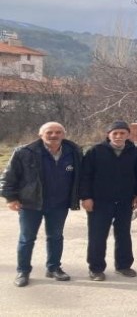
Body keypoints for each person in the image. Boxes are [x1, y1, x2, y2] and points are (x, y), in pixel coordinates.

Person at [1, 122, 81, 287]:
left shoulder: (74, 152)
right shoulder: (24, 152)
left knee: (56, 237)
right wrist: (10, 198)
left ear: (63, 134)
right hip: (30, 204)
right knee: (27, 239)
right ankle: (23, 271)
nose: (54, 135)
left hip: (59, 205)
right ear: (40, 135)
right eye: (49, 132)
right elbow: (8, 177)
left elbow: (81, 176)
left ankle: (53, 268)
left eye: (58, 132)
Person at [80, 121, 137, 281]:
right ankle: (96, 269)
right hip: (99, 201)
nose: (119, 136)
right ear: (108, 135)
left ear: (128, 134)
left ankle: (123, 266)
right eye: (115, 133)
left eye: (122, 133)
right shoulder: (95, 151)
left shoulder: (134, 152)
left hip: (124, 201)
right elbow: (85, 176)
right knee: (97, 236)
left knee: (123, 234)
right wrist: (86, 197)